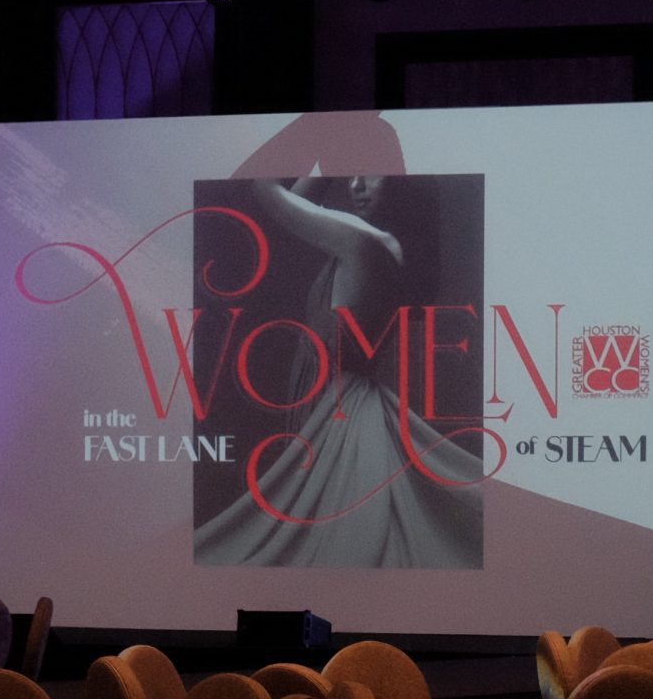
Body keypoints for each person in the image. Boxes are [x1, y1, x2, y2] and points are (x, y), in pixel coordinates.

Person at [195, 164, 486, 570]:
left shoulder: (361, 239)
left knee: (334, 550)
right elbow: (300, 200)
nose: (357, 185)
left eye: (371, 173)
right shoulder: (376, 241)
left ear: (404, 182)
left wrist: (329, 141)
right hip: (340, 409)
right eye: (350, 174)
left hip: (341, 417)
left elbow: (272, 194)